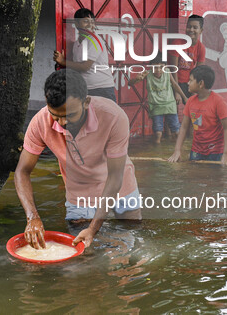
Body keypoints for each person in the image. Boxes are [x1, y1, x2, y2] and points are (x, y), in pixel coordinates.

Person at [15, 69, 141, 249]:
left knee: (131, 239)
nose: (62, 123)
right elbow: (22, 171)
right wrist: (32, 217)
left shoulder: (114, 116)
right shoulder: (40, 122)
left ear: (86, 102)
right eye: (56, 115)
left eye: (70, 115)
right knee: (81, 252)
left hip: (121, 186)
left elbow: (115, 176)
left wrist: (94, 228)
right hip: (79, 194)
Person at [168, 65, 227, 165]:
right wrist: (177, 150)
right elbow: (184, 127)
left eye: (191, 80)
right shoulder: (190, 102)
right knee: (194, 176)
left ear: (201, 83)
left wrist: (226, 154)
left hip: (216, 151)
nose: (187, 83)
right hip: (196, 150)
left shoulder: (219, 102)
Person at [53, 9, 117, 102]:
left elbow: (84, 67)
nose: (90, 25)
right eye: (86, 21)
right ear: (77, 23)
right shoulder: (77, 43)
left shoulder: (94, 40)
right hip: (86, 89)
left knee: (104, 116)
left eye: (92, 22)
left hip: (102, 89)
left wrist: (63, 61)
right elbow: (77, 67)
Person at [128, 64, 187, 143]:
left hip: (170, 104)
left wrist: (184, 97)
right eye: (155, 67)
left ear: (165, 67)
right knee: (158, 133)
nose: (158, 70)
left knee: (176, 131)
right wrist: (136, 79)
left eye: (161, 67)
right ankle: (158, 151)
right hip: (156, 106)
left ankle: (177, 150)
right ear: (151, 67)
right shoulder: (147, 74)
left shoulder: (167, 72)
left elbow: (175, 84)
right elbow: (130, 83)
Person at [170, 14, 206, 99]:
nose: (191, 30)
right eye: (189, 27)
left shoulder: (201, 48)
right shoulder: (177, 42)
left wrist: (194, 92)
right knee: (172, 109)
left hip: (189, 83)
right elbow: (172, 69)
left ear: (201, 30)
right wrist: (177, 92)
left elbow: (199, 72)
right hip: (174, 81)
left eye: (195, 27)